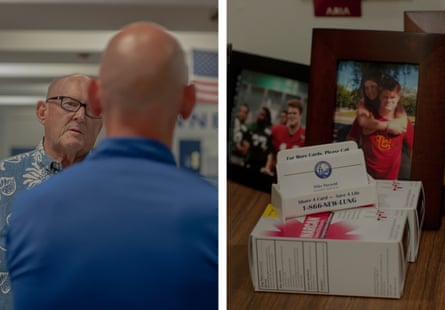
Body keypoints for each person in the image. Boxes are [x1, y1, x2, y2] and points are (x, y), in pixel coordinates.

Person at [7, 21, 218, 310]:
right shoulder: (210, 214)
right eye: (68, 104)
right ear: (188, 101)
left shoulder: (31, 208)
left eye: (86, 108)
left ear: (97, 98)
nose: (79, 117)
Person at [0, 73, 103, 309]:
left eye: (92, 109)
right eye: (69, 103)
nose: (80, 115)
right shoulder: (4, 178)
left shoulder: (120, 190)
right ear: (42, 112)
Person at [348, 74, 414, 179]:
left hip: (391, 182)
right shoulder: (367, 116)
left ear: (398, 98)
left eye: (392, 97)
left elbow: (412, 149)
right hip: (366, 179)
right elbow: (350, 141)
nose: (388, 101)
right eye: (385, 97)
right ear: (379, 97)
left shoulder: (403, 122)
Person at [261, 98, 306, 175]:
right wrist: (267, 167)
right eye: (289, 113)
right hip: (277, 175)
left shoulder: (305, 135)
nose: (291, 116)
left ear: (300, 115)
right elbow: (271, 152)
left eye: (294, 113)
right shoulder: (277, 130)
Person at [356, 72, 407, 136]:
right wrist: (388, 125)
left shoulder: (393, 100)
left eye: (372, 87)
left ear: (379, 87)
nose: (370, 91)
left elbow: (403, 123)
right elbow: (363, 121)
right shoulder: (364, 101)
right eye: (366, 88)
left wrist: (372, 127)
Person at [238, 106, 272, 172]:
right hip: (248, 160)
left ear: (267, 117)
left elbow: (270, 151)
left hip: (261, 164)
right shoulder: (250, 127)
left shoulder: (269, 132)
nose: (259, 116)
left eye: (262, 115)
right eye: (259, 114)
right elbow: (245, 145)